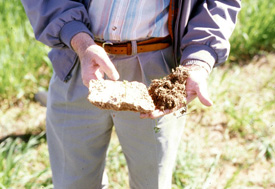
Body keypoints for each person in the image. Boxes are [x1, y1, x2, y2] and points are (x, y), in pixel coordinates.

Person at [21, 0, 241, 188]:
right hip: (78, 57)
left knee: (151, 182)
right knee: (73, 180)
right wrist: (79, 41)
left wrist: (198, 61)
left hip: (158, 75)